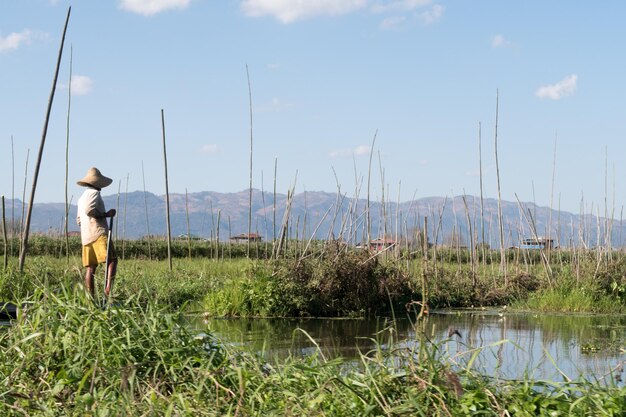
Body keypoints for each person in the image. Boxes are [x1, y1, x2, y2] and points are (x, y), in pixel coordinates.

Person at [76, 167, 117, 299]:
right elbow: (89, 210)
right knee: (111, 260)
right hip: (98, 233)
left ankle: (91, 299)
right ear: (96, 183)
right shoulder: (94, 193)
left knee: (91, 268)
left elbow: (79, 220)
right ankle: (108, 292)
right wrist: (105, 214)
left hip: (86, 237)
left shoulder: (81, 198)